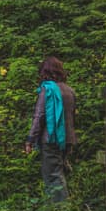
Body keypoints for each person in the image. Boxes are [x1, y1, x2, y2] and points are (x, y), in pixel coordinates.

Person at [25, 56, 76, 203]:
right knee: (59, 173)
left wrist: (30, 139)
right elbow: (73, 116)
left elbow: (39, 116)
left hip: (51, 138)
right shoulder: (69, 90)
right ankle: (60, 210)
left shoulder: (47, 90)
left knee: (52, 176)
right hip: (68, 139)